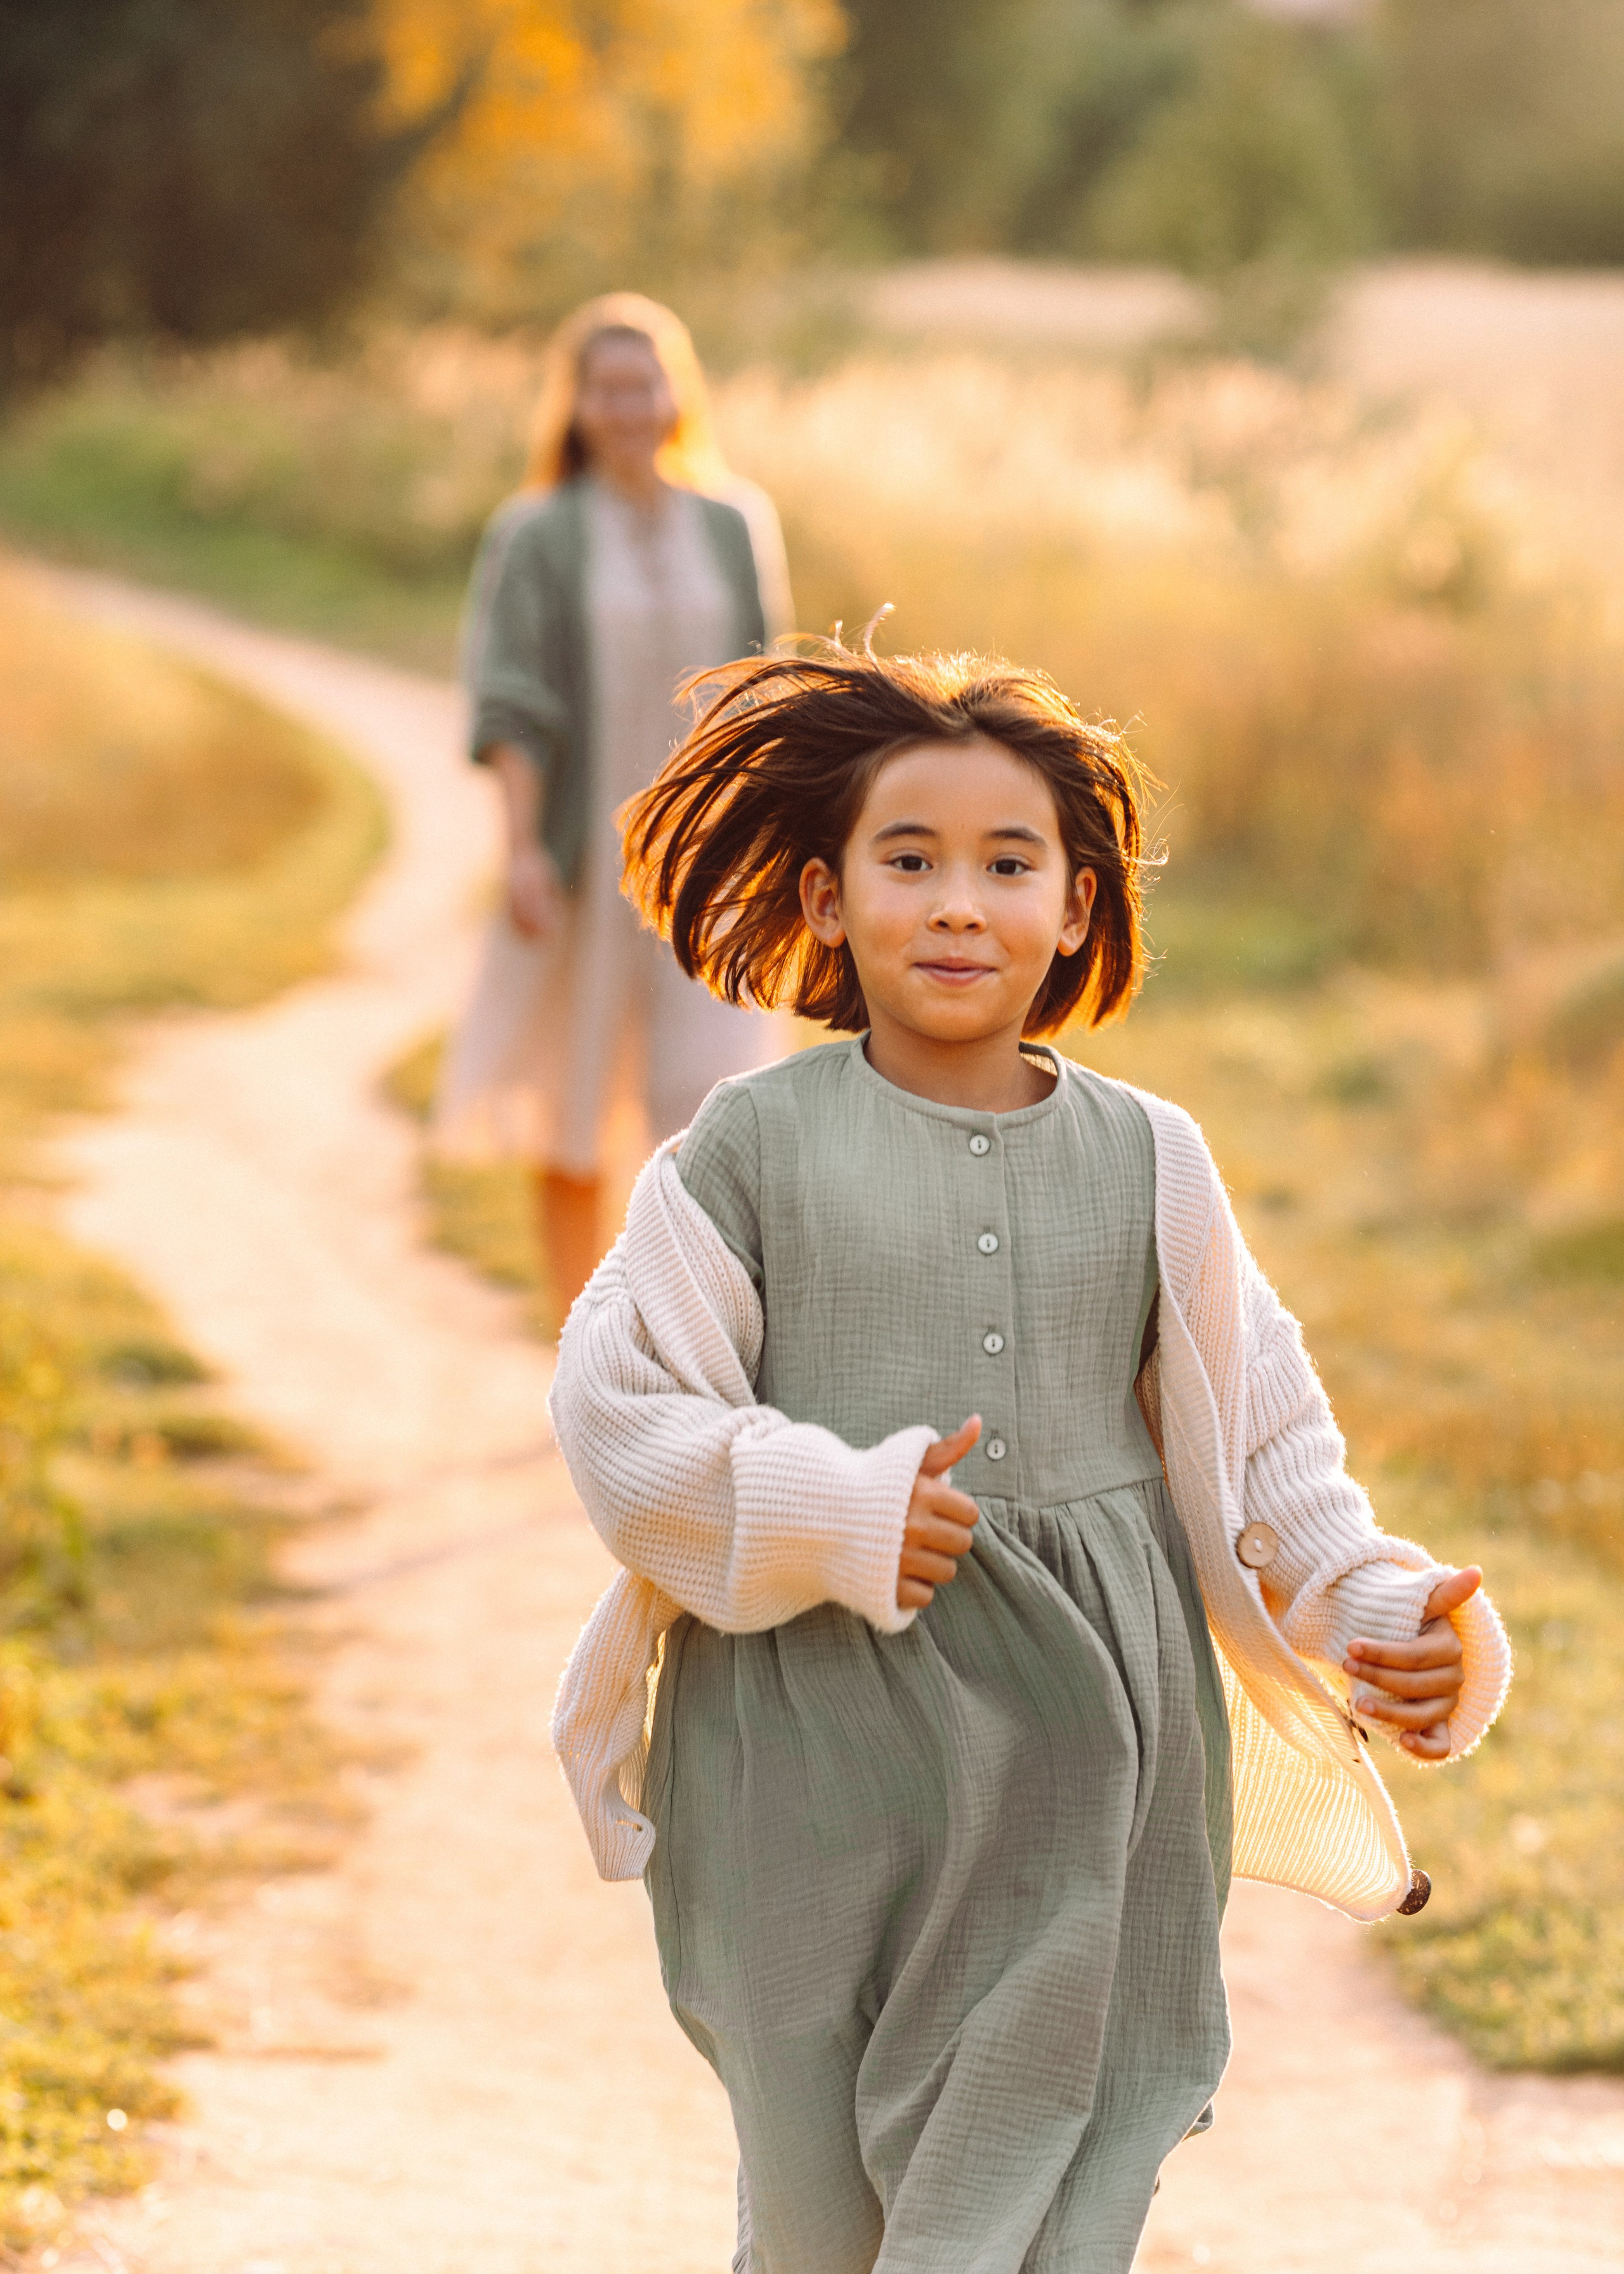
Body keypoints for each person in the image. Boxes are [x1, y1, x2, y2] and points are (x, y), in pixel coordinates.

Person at [547, 644, 1512, 2274]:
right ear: (828, 896)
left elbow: (1269, 1445)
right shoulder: (748, 1148)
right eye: (906, 860)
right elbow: (616, 1406)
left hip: (1092, 1739)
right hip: (806, 1739)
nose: (955, 902)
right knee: (813, 2200)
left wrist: (1391, 1615)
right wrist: (830, 1506)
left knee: (1052, 2159)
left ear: (1075, 907)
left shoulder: (1152, 1157)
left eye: (1007, 864)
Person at [432, 292, 790, 1312]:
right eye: (608, 387)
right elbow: (514, 702)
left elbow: (767, 691)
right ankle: (577, 1345)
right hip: (586, 857)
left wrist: (776, 841)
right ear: (578, 404)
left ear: (676, 393)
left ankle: (686, 1343)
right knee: (576, 1103)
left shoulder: (733, 522)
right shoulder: (539, 533)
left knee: (709, 1103)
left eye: (647, 383)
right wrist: (521, 851)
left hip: (709, 863)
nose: (630, 404)